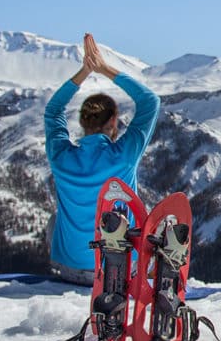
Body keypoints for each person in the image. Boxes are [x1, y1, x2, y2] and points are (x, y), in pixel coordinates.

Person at [44, 33, 160, 285]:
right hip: (116, 272)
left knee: (55, 219)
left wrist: (84, 72)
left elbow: (53, 112)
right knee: (141, 217)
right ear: (112, 123)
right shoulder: (124, 156)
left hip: (67, 269)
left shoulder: (61, 157)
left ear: (83, 123)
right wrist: (103, 68)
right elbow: (150, 102)